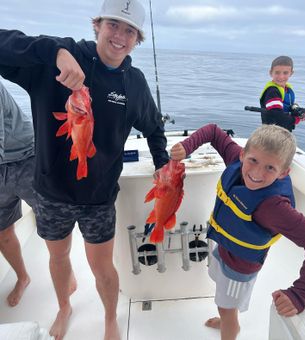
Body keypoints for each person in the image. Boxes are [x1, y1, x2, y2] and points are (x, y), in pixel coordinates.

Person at [0, 0, 169, 339]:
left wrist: (163, 164)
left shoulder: (134, 84)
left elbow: (153, 128)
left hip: (99, 197)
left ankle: (110, 318)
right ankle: (65, 305)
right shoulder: (57, 62)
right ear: (97, 25)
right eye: (113, 25)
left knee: (102, 265)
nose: (119, 36)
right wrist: (55, 51)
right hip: (50, 192)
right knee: (58, 257)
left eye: (129, 30)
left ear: (137, 39)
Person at [171, 124, 305, 340]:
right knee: (222, 297)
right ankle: (227, 318)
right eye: (253, 161)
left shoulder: (274, 207)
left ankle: (230, 326)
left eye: (270, 168)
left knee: (227, 307)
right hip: (223, 247)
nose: (256, 173)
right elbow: (213, 131)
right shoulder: (237, 159)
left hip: (240, 267)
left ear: (284, 173)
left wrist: (300, 294)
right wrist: (187, 146)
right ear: (243, 155)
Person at [0, 80, 35, 306]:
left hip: (27, 158)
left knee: (53, 224)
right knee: (2, 231)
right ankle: (23, 277)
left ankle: (66, 273)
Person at [260, 55, 305, 132]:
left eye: (285, 73)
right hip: (271, 133)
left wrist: (296, 108)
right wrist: (296, 119)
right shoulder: (272, 91)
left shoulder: (287, 89)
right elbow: (277, 116)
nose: (281, 76)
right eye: (277, 73)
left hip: (284, 131)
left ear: (291, 73)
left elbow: (286, 104)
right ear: (271, 73)